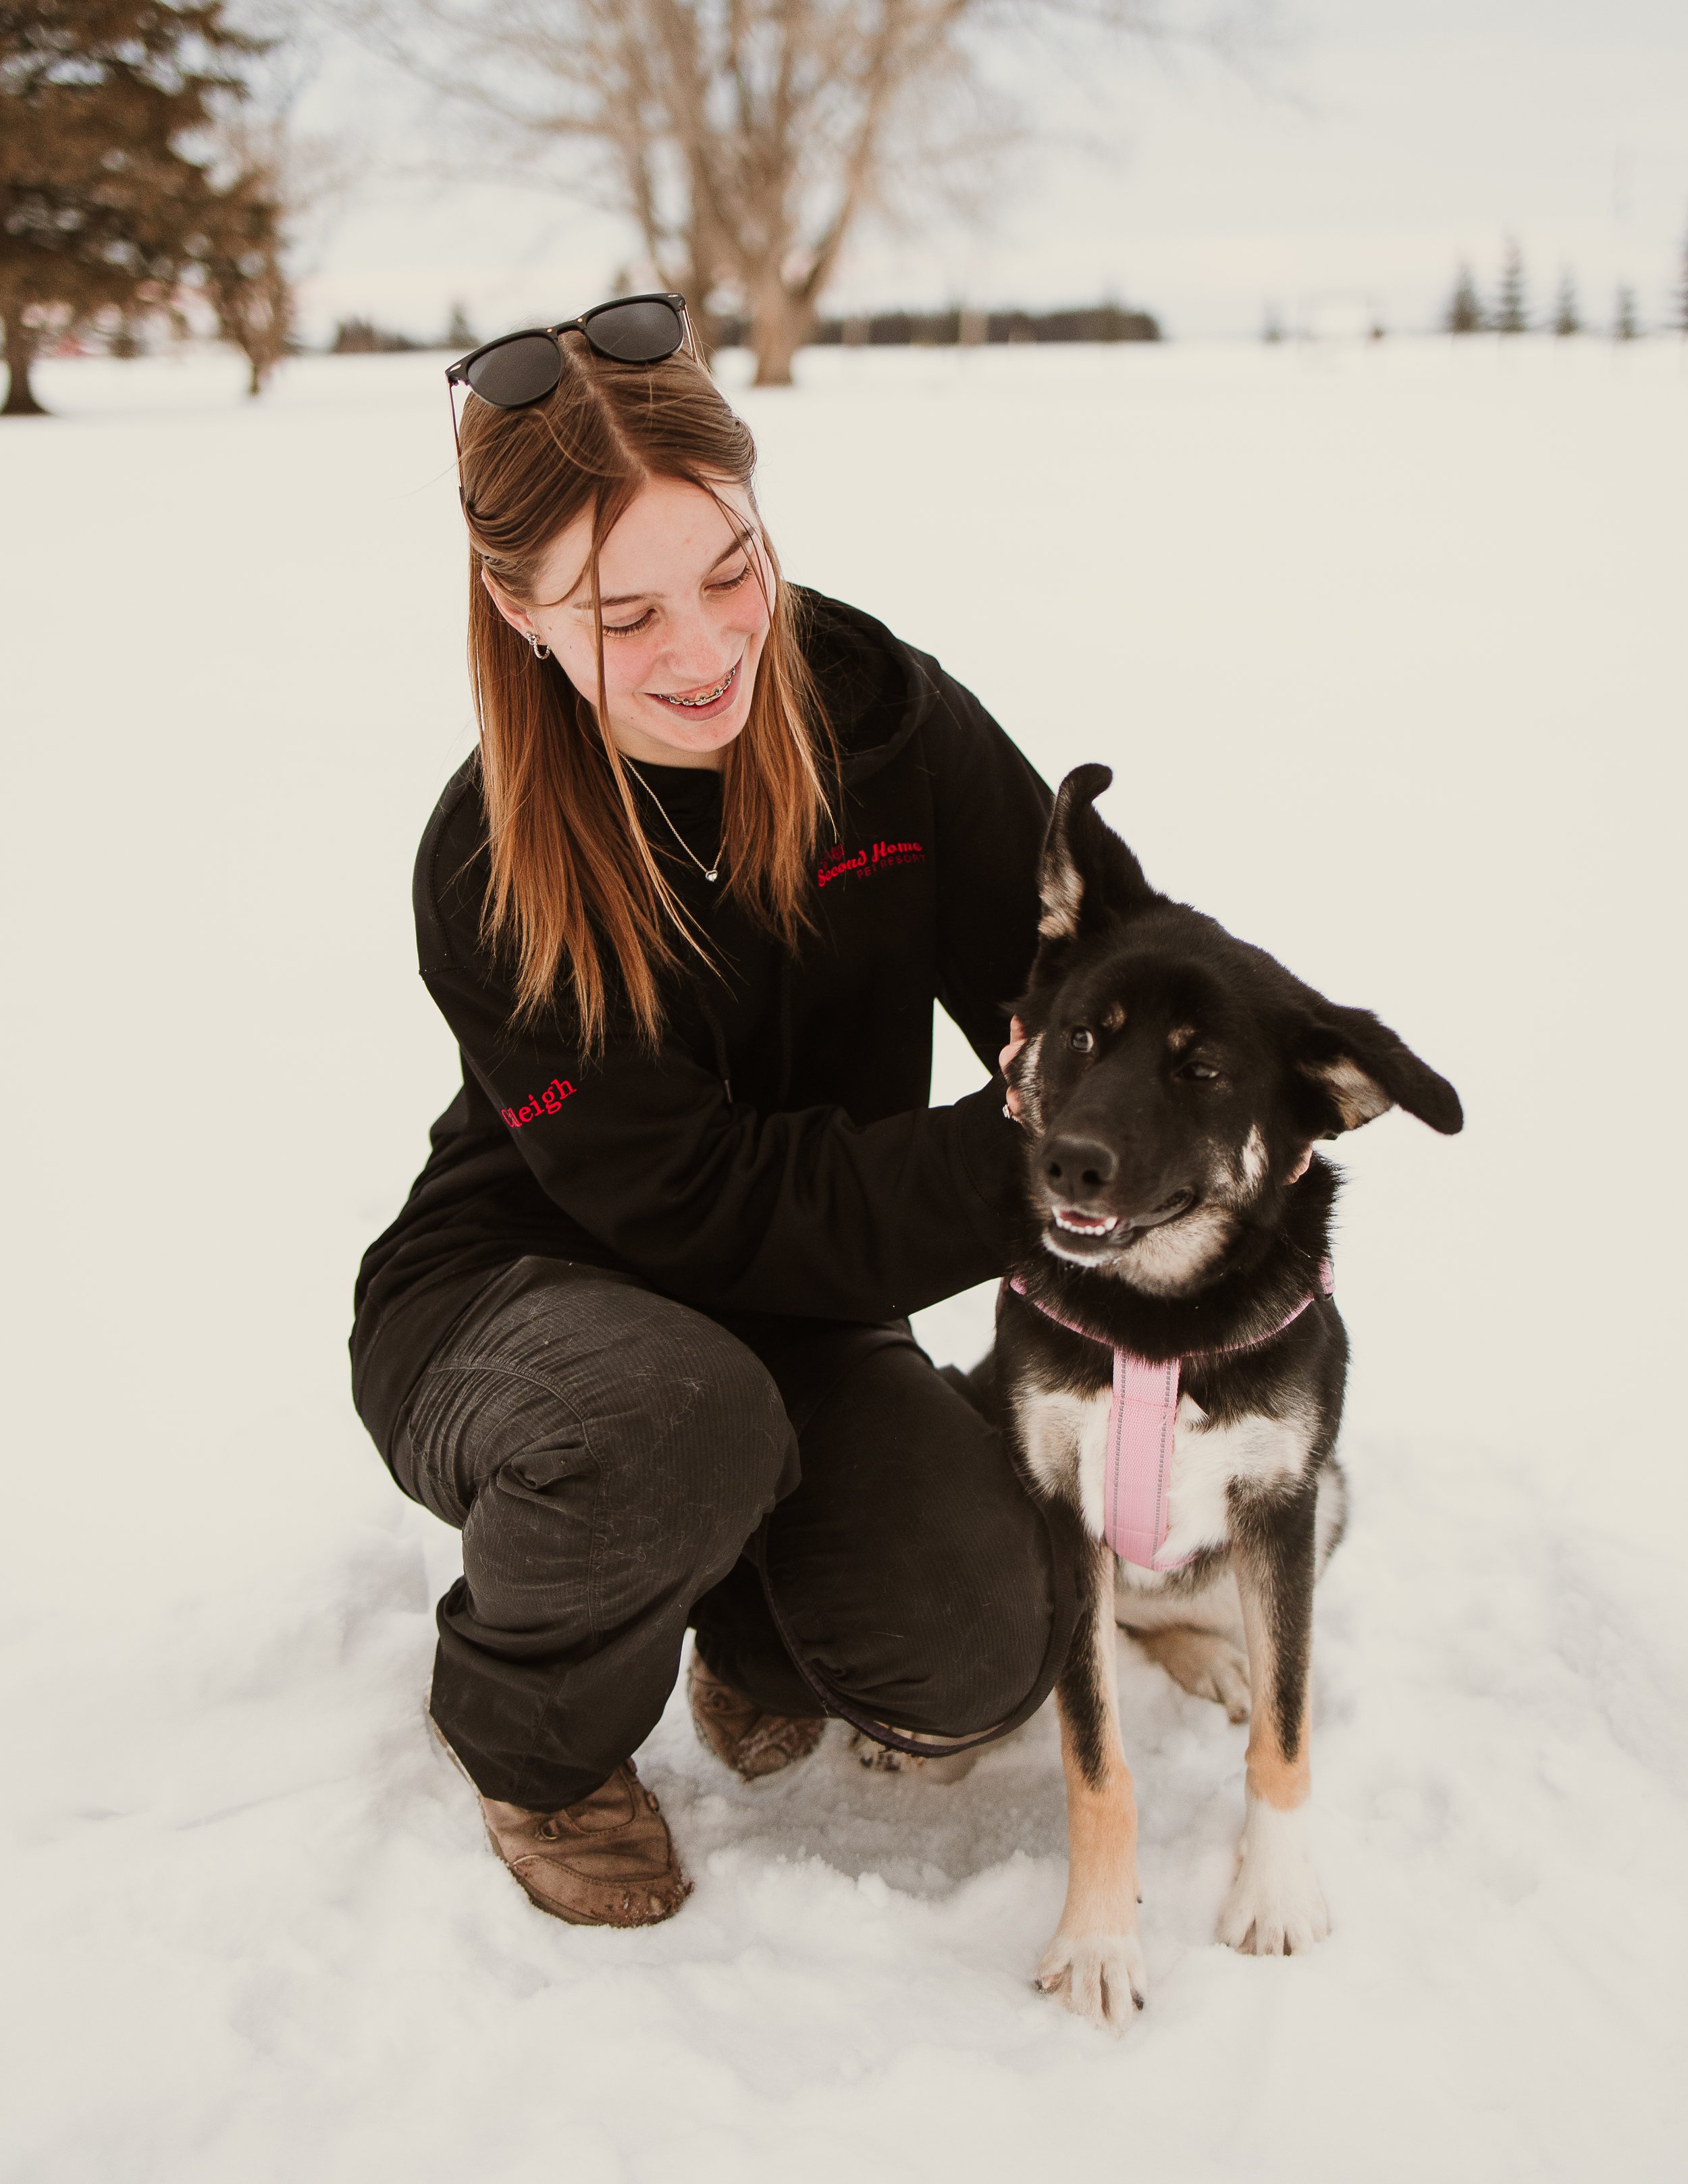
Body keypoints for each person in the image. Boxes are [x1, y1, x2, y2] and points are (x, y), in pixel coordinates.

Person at [350, 294, 1082, 1929]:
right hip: (522, 1309)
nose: (703, 651)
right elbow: (703, 1205)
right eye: (624, 616)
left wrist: (1176, 1079)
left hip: (805, 1307)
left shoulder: (880, 715)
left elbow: (1076, 957)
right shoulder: (487, 864)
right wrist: (1024, 1160)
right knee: (675, 1417)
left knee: (978, 1650)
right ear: (516, 609)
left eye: (730, 570)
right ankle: (530, 1737)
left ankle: (751, 1615)